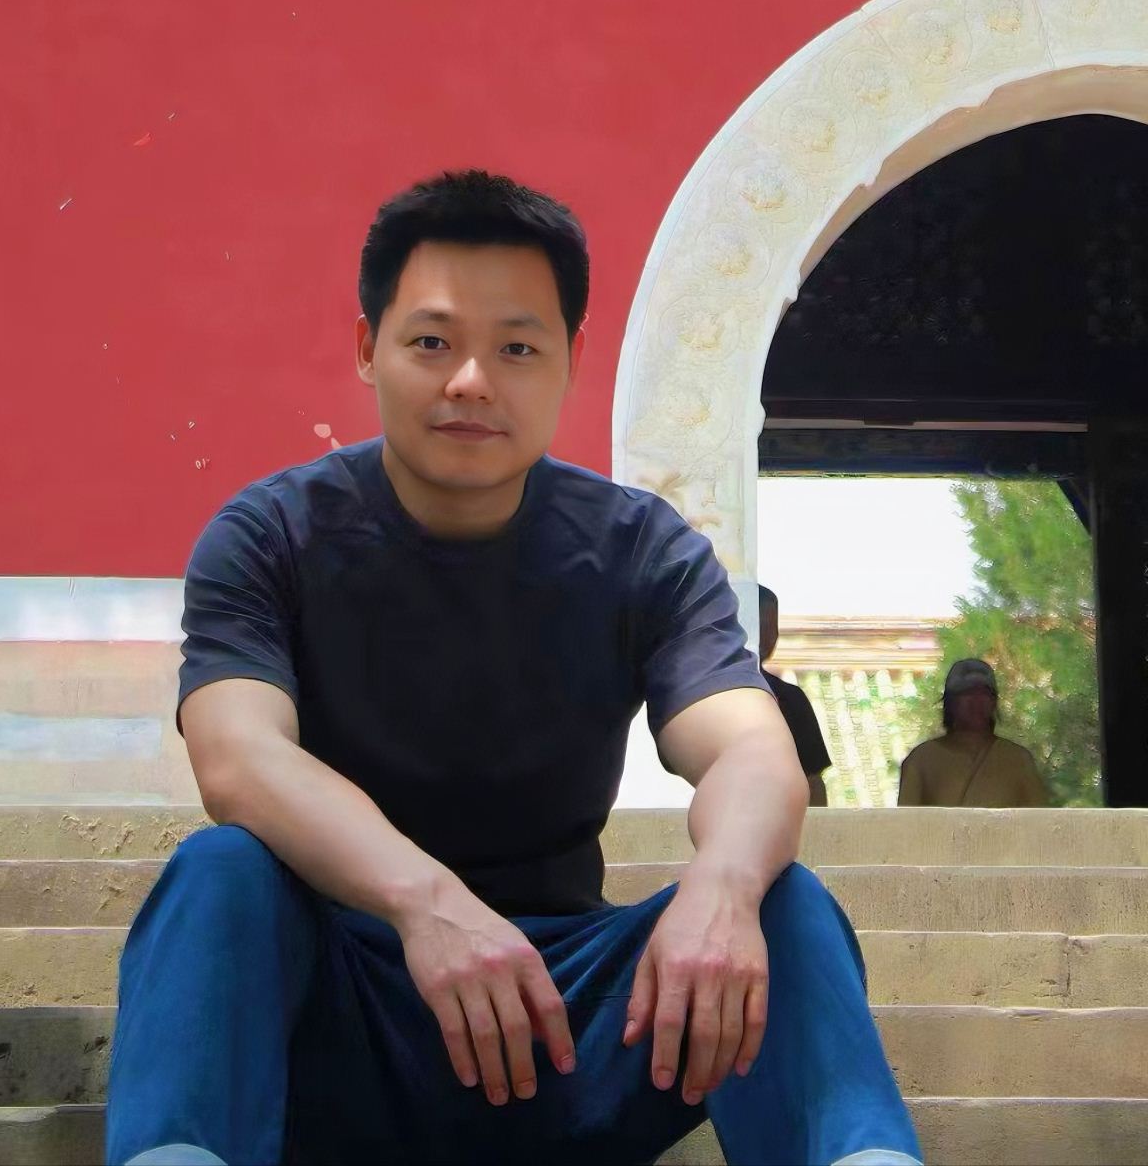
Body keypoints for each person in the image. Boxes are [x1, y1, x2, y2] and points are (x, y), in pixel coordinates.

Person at [106, 171, 922, 1166]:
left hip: (570, 1028)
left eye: (518, 348)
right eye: (431, 342)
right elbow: (238, 758)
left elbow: (750, 751)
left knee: (777, 899)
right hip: (344, 1016)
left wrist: (722, 887)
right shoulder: (269, 536)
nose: (470, 381)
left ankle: (860, 1155)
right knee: (220, 874)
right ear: (367, 347)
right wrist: (425, 903)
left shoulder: (642, 551)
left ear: (571, 361)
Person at [897, 658, 1047, 807]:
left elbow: (1038, 817)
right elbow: (907, 819)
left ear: (994, 702)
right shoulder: (922, 760)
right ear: (950, 702)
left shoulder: (1018, 760)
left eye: (984, 693)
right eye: (967, 693)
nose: (976, 701)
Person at [758, 585, 832, 807]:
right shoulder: (705, 697)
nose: (770, 636)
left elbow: (812, 780)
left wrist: (817, 824)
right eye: (761, 626)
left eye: (773, 627)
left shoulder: (791, 698)